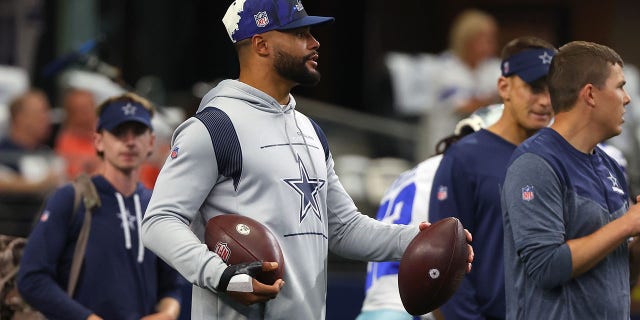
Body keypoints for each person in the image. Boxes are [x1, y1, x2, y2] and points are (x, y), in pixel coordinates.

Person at [141, 1, 473, 319]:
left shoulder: (309, 129)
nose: (315, 43)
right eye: (300, 34)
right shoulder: (214, 126)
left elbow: (343, 229)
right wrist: (222, 274)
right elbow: (159, 222)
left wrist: (419, 240)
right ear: (261, 45)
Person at [501, 40, 640, 319]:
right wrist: (626, 225)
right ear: (590, 94)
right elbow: (545, 266)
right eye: (619, 86)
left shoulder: (611, 166)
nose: (626, 98)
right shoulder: (535, 163)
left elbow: (621, 278)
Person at [17, 92, 182, 320]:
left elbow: (172, 284)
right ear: (98, 141)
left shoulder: (156, 205)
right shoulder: (70, 198)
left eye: (138, 132)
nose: (129, 141)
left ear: (151, 142)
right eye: (118, 132)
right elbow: (32, 278)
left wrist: (169, 312)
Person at [428, 36, 557, 320]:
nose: (545, 101)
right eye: (534, 88)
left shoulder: (560, 158)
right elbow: (445, 262)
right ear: (504, 86)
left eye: (553, 90)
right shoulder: (464, 158)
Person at [358, 110, 493, 320]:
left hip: (377, 306)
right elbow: (445, 260)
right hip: (414, 306)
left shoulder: (419, 171)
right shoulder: (456, 175)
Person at [416, 9, 501, 160]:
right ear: (467, 40)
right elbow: (465, 106)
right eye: (484, 39)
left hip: (476, 150)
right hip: (441, 147)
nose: (491, 45)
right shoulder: (444, 68)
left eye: (492, 39)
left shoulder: (493, 68)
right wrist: (498, 97)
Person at [0, 89, 64, 236]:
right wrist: (38, 186)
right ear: (20, 118)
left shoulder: (48, 154)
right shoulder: (4, 152)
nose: (47, 118)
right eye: (40, 113)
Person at [54, 87, 102, 180]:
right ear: (71, 115)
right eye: (80, 110)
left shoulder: (109, 131)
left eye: (89, 107)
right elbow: (75, 177)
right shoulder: (66, 142)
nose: (86, 114)